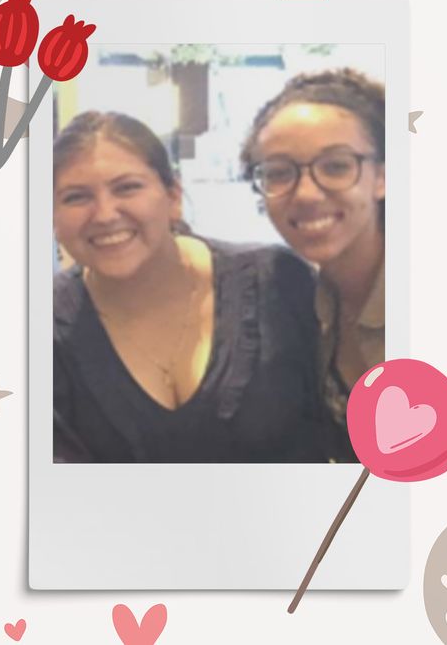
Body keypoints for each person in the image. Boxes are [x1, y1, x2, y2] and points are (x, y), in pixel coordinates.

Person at [52, 110, 327, 463]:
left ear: (173, 196)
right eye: (76, 197)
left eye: (127, 187)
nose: (104, 214)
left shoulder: (278, 281)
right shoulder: (39, 334)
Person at [240, 68, 386, 462]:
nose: (305, 194)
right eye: (279, 173)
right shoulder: (304, 299)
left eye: (336, 166)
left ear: (383, 176)